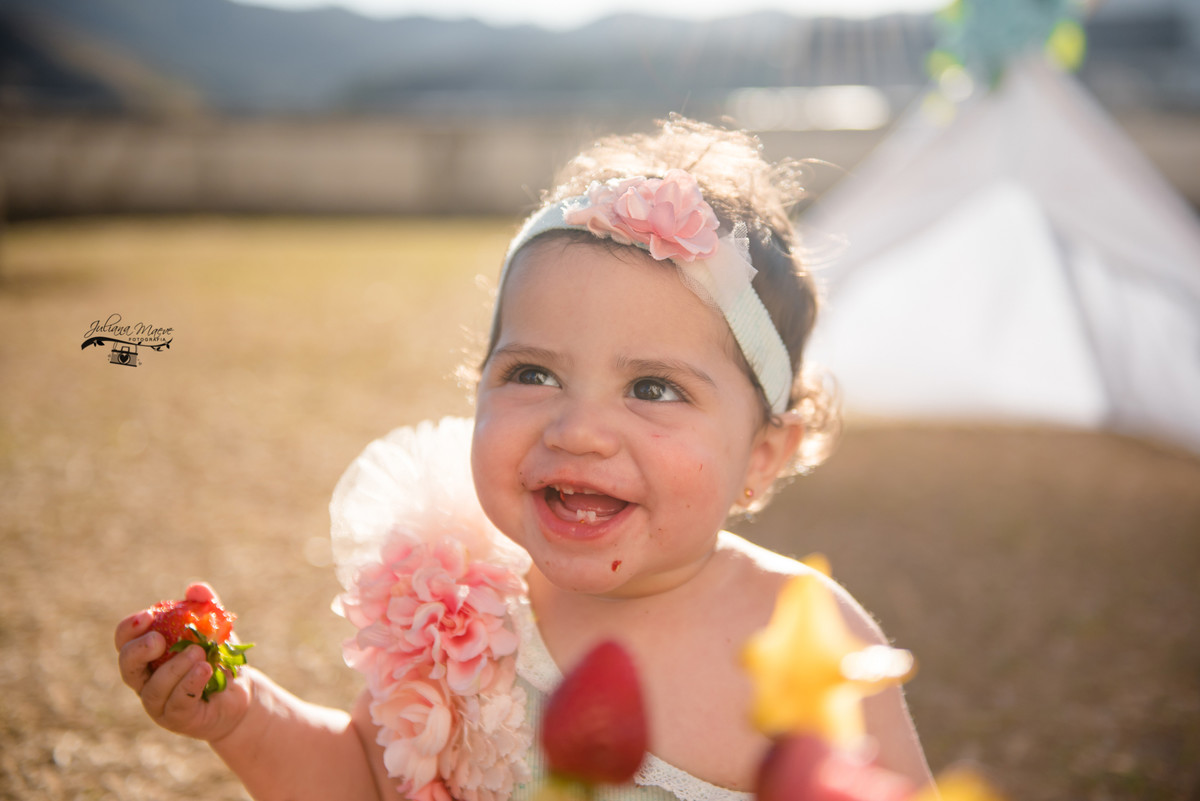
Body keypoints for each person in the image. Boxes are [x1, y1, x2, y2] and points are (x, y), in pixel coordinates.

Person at [115, 117, 932, 801]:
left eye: (652, 387)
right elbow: (368, 779)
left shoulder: (803, 637)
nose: (578, 430)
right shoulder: (458, 602)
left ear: (763, 453)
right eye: (532, 373)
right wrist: (245, 717)